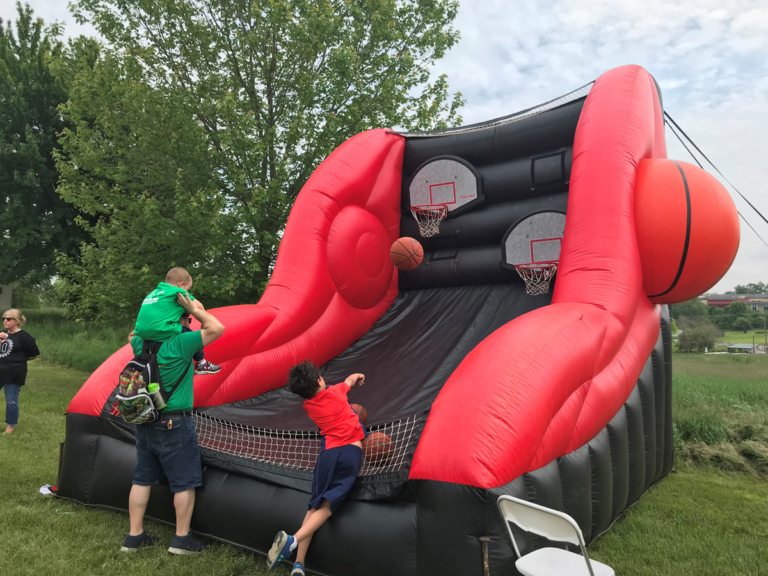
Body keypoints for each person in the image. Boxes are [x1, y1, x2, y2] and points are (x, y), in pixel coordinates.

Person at [122, 293, 224, 554]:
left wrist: (157, 313)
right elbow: (217, 328)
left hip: (145, 420)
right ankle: (181, 539)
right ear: (181, 321)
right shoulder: (182, 342)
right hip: (174, 423)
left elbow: (133, 333)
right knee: (185, 483)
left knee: (142, 478)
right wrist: (192, 309)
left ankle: (134, 537)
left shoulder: (140, 345)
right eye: (187, 319)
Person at [267, 360, 367, 575]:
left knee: (313, 506)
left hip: (328, 456)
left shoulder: (308, 406)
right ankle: (293, 540)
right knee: (328, 506)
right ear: (320, 379)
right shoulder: (338, 392)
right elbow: (348, 381)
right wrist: (357, 373)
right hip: (350, 453)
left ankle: (298, 564)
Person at [133, 267, 205, 343]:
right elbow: (200, 307)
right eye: (187, 289)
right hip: (161, 330)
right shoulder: (177, 291)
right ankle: (198, 355)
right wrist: (204, 327)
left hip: (140, 332)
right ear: (181, 285)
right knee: (190, 335)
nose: (187, 291)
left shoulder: (154, 293)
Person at [0, 309, 40, 435]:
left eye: (8, 319)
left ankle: (10, 427)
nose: (5, 321)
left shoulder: (24, 337)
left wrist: (19, 359)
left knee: (11, 400)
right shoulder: (2, 334)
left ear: (16, 321)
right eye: (4, 319)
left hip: (14, 372)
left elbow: (35, 354)